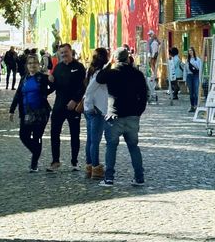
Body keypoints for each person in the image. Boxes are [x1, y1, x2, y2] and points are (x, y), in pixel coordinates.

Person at [96, 47, 148, 186]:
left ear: (115, 59)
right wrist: (139, 112)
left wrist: (108, 63)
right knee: (133, 147)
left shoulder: (112, 73)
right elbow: (144, 95)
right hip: (132, 116)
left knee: (111, 147)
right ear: (127, 58)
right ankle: (139, 177)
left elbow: (99, 78)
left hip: (115, 116)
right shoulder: (137, 74)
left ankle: (109, 178)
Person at [9, 53, 53, 171]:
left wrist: (45, 93)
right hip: (26, 112)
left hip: (41, 112)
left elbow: (53, 86)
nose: (32, 65)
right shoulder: (24, 78)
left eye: (34, 63)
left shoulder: (42, 77)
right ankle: (36, 152)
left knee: (37, 136)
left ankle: (34, 163)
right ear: (27, 65)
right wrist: (12, 110)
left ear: (38, 64)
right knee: (24, 136)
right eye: (30, 63)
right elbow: (18, 94)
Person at [46, 43, 86, 172]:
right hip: (59, 105)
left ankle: (74, 161)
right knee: (54, 133)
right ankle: (55, 161)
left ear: (71, 52)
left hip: (73, 107)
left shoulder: (79, 67)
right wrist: (49, 81)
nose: (64, 55)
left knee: (75, 134)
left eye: (66, 52)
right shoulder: (58, 67)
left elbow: (83, 87)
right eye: (61, 53)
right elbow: (53, 87)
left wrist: (75, 100)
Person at [82, 48, 109, 180]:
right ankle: (96, 168)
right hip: (96, 109)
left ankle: (89, 166)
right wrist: (90, 105)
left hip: (90, 109)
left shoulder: (91, 71)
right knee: (95, 141)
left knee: (90, 140)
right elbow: (89, 90)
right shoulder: (99, 74)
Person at [186, 47, 202, 112]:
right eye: (189, 51)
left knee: (196, 91)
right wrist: (185, 80)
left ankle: (196, 106)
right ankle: (192, 106)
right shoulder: (187, 60)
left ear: (193, 51)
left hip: (196, 76)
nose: (190, 52)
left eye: (191, 50)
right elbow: (185, 70)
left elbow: (200, 69)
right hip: (189, 76)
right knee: (191, 92)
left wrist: (200, 78)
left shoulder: (197, 59)